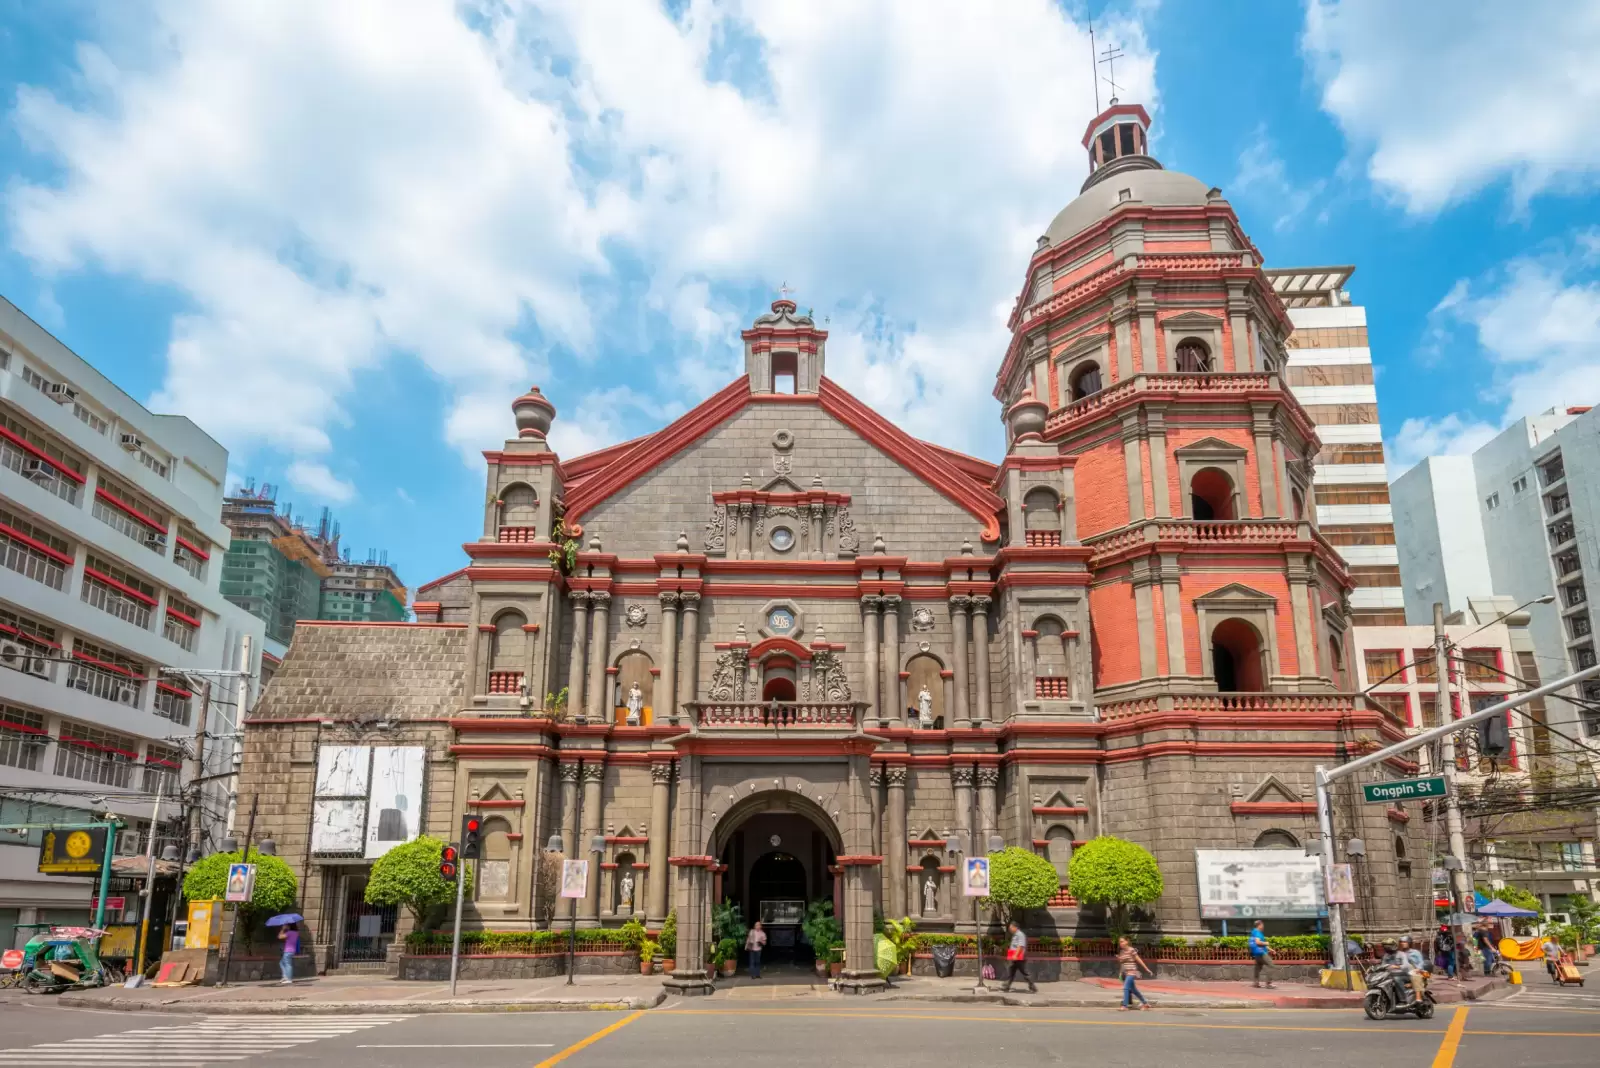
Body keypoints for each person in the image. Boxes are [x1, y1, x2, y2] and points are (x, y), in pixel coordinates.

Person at [1379, 938, 1423, 1005]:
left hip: (1405, 974)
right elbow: (1382, 965)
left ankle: (1403, 999)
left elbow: (1406, 965)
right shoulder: (1386, 956)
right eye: (1386, 946)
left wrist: (1397, 966)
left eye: (1389, 946)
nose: (1388, 948)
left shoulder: (1401, 954)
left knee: (1397, 979)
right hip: (1391, 975)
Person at [1116, 936, 1153, 1010]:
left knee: (1126, 988)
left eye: (1122, 941)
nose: (1121, 943)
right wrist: (1120, 972)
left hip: (1132, 972)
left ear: (1127, 941)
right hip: (1126, 973)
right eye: (1120, 942)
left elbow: (1139, 960)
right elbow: (1122, 963)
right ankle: (1145, 1004)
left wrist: (1147, 969)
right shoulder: (1122, 952)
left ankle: (1125, 1006)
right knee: (1134, 990)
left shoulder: (1131, 950)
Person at [1000, 921, 1037, 994]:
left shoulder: (1020, 935)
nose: (1010, 929)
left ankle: (1032, 987)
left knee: (1024, 972)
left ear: (1015, 927)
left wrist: (1015, 955)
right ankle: (1006, 986)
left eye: (1011, 927)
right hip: (1015, 957)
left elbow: (1020, 946)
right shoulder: (1015, 935)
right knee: (1011, 972)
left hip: (1019, 957)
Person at [1248, 919, 1273, 988]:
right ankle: (1268, 983)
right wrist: (1266, 943)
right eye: (1262, 925)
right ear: (1259, 925)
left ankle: (1256, 983)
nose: (1263, 926)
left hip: (1257, 953)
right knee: (1271, 965)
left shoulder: (1254, 932)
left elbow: (1259, 944)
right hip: (1262, 953)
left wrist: (1270, 949)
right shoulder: (1257, 932)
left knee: (1257, 968)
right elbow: (1258, 942)